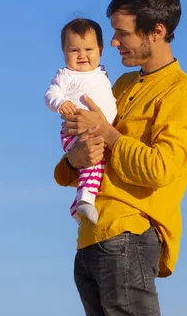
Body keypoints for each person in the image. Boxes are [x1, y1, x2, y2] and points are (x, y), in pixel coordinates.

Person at [55, 0, 187, 315]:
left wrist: (107, 134)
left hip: (129, 236)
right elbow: (73, 163)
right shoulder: (120, 84)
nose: (112, 42)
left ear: (156, 31)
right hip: (90, 239)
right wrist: (75, 158)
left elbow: (160, 169)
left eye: (122, 33)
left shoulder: (184, 93)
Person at [45, 18, 118, 224]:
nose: (82, 56)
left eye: (88, 49)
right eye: (74, 50)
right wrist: (60, 102)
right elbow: (51, 93)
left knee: (99, 164)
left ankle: (78, 205)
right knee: (93, 159)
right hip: (75, 132)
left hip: (100, 130)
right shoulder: (66, 75)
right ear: (64, 51)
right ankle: (85, 199)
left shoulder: (101, 73)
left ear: (100, 50)